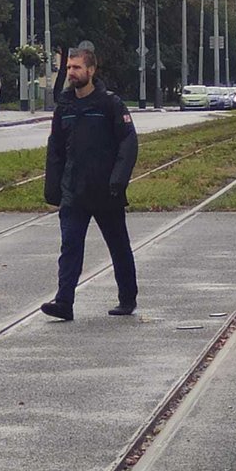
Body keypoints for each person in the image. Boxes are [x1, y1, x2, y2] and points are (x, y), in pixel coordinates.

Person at [41, 44, 139, 320]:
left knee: (118, 246)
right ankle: (64, 302)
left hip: (106, 189)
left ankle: (127, 298)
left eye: (77, 67)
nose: (71, 72)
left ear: (91, 70)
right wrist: (54, 188)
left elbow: (129, 142)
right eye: (69, 67)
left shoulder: (110, 104)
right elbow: (56, 148)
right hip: (74, 190)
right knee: (70, 246)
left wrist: (118, 180)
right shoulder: (65, 106)